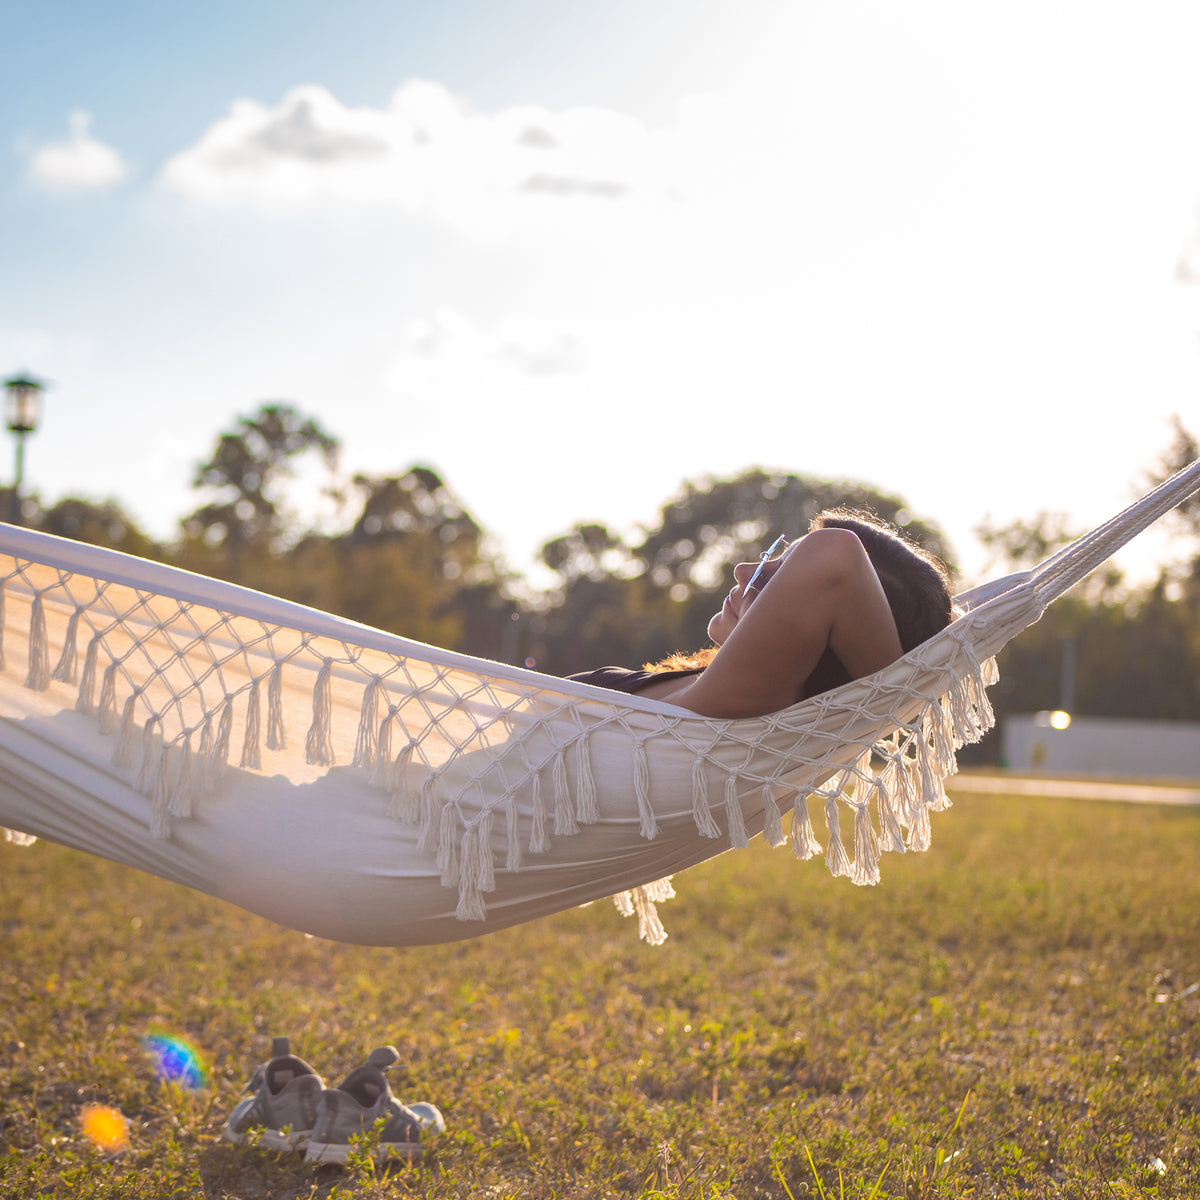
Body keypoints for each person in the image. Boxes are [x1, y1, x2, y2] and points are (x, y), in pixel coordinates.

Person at [569, 508, 955, 720]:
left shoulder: (754, 698)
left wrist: (894, 696)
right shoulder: (710, 686)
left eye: (777, 577)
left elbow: (836, 553)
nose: (743, 572)